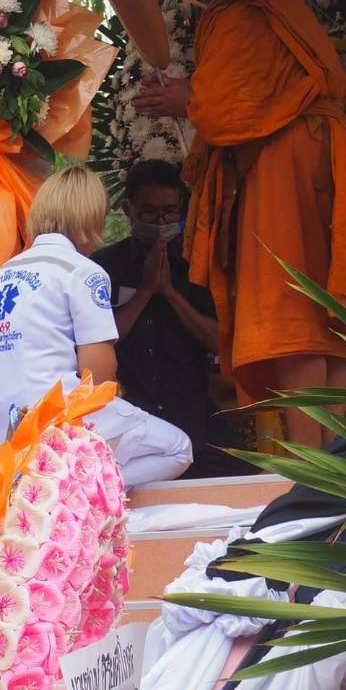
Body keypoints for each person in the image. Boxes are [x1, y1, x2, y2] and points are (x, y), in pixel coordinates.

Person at [135, 0, 346, 450]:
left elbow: (231, 104)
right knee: (326, 314)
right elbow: (262, 87)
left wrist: (185, 100)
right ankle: (332, 463)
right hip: (331, 158)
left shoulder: (240, 5)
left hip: (289, 166)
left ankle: (313, 468)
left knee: (296, 314)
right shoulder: (287, 5)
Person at [0, 164, 193, 487]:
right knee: (178, 448)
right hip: (53, 423)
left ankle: (50, 483)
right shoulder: (83, 272)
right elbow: (99, 375)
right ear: (92, 219)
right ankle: (70, 489)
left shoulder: (0, 276)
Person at [94, 160, 238, 478]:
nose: (161, 221)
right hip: (131, 415)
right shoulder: (102, 267)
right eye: (150, 213)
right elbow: (98, 344)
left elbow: (220, 341)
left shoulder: (196, 266)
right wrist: (145, 292)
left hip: (194, 415)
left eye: (170, 212)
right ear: (129, 210)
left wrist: (171, 294)